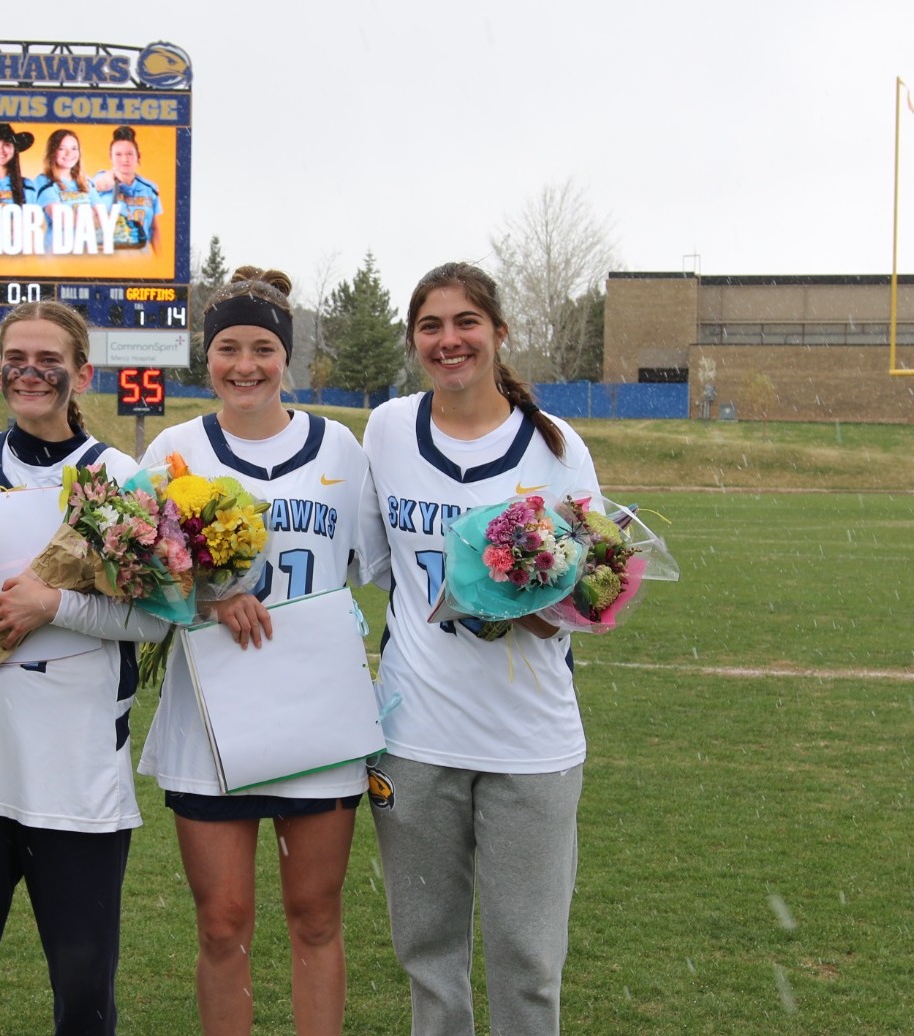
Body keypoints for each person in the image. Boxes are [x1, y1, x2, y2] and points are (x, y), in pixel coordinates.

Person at [355, 262, 603, 1036]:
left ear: (499, 332)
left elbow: (595, 586)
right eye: (430, 325)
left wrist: (542, 606)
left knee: (528, 962)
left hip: (530, 737)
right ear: (413, 341)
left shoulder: (557, 448)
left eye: (466, 322)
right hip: (413, 735)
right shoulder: (389, 428)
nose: (448, 339)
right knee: (427, 957)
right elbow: (373, 566)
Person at [137, 267, 379, 1036]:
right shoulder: (174, 449)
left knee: (314, 916)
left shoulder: (339, 445)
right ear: (205, 357)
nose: (245, 365)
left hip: (316, 711)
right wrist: (206, 597)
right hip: (212, 713)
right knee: (222, 924)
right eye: (228, 348)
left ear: (287, 358)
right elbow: (133, 574)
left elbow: (373, 565)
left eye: (264, 348)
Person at [0, 299, 171, 1036]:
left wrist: (50, 605)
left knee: (84, 993)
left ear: (81, 372)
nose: (29, 372)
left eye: (47, 360)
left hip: (75, 764)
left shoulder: (119, 475)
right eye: (14, 359)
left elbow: (157, 618)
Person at [90, 126, 161, 251]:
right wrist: (109, 181)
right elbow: (98, 184)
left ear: (138, 156)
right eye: (118, 154)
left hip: (141, 259)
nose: (124, 159)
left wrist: (161, 264)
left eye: (129, 154)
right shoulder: (101, 178)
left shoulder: (149, 188)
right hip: (109, 259)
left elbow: (155, 229)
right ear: (110, 157)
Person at [32, 129, 99, 252]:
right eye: (62, 148)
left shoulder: (86, 181)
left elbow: (103, 217)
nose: (69, 154)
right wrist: (90, 215)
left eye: (74, 148)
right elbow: (62, 219)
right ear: (52, 152)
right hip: (58, 255)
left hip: (87, 254)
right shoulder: (43, 181)